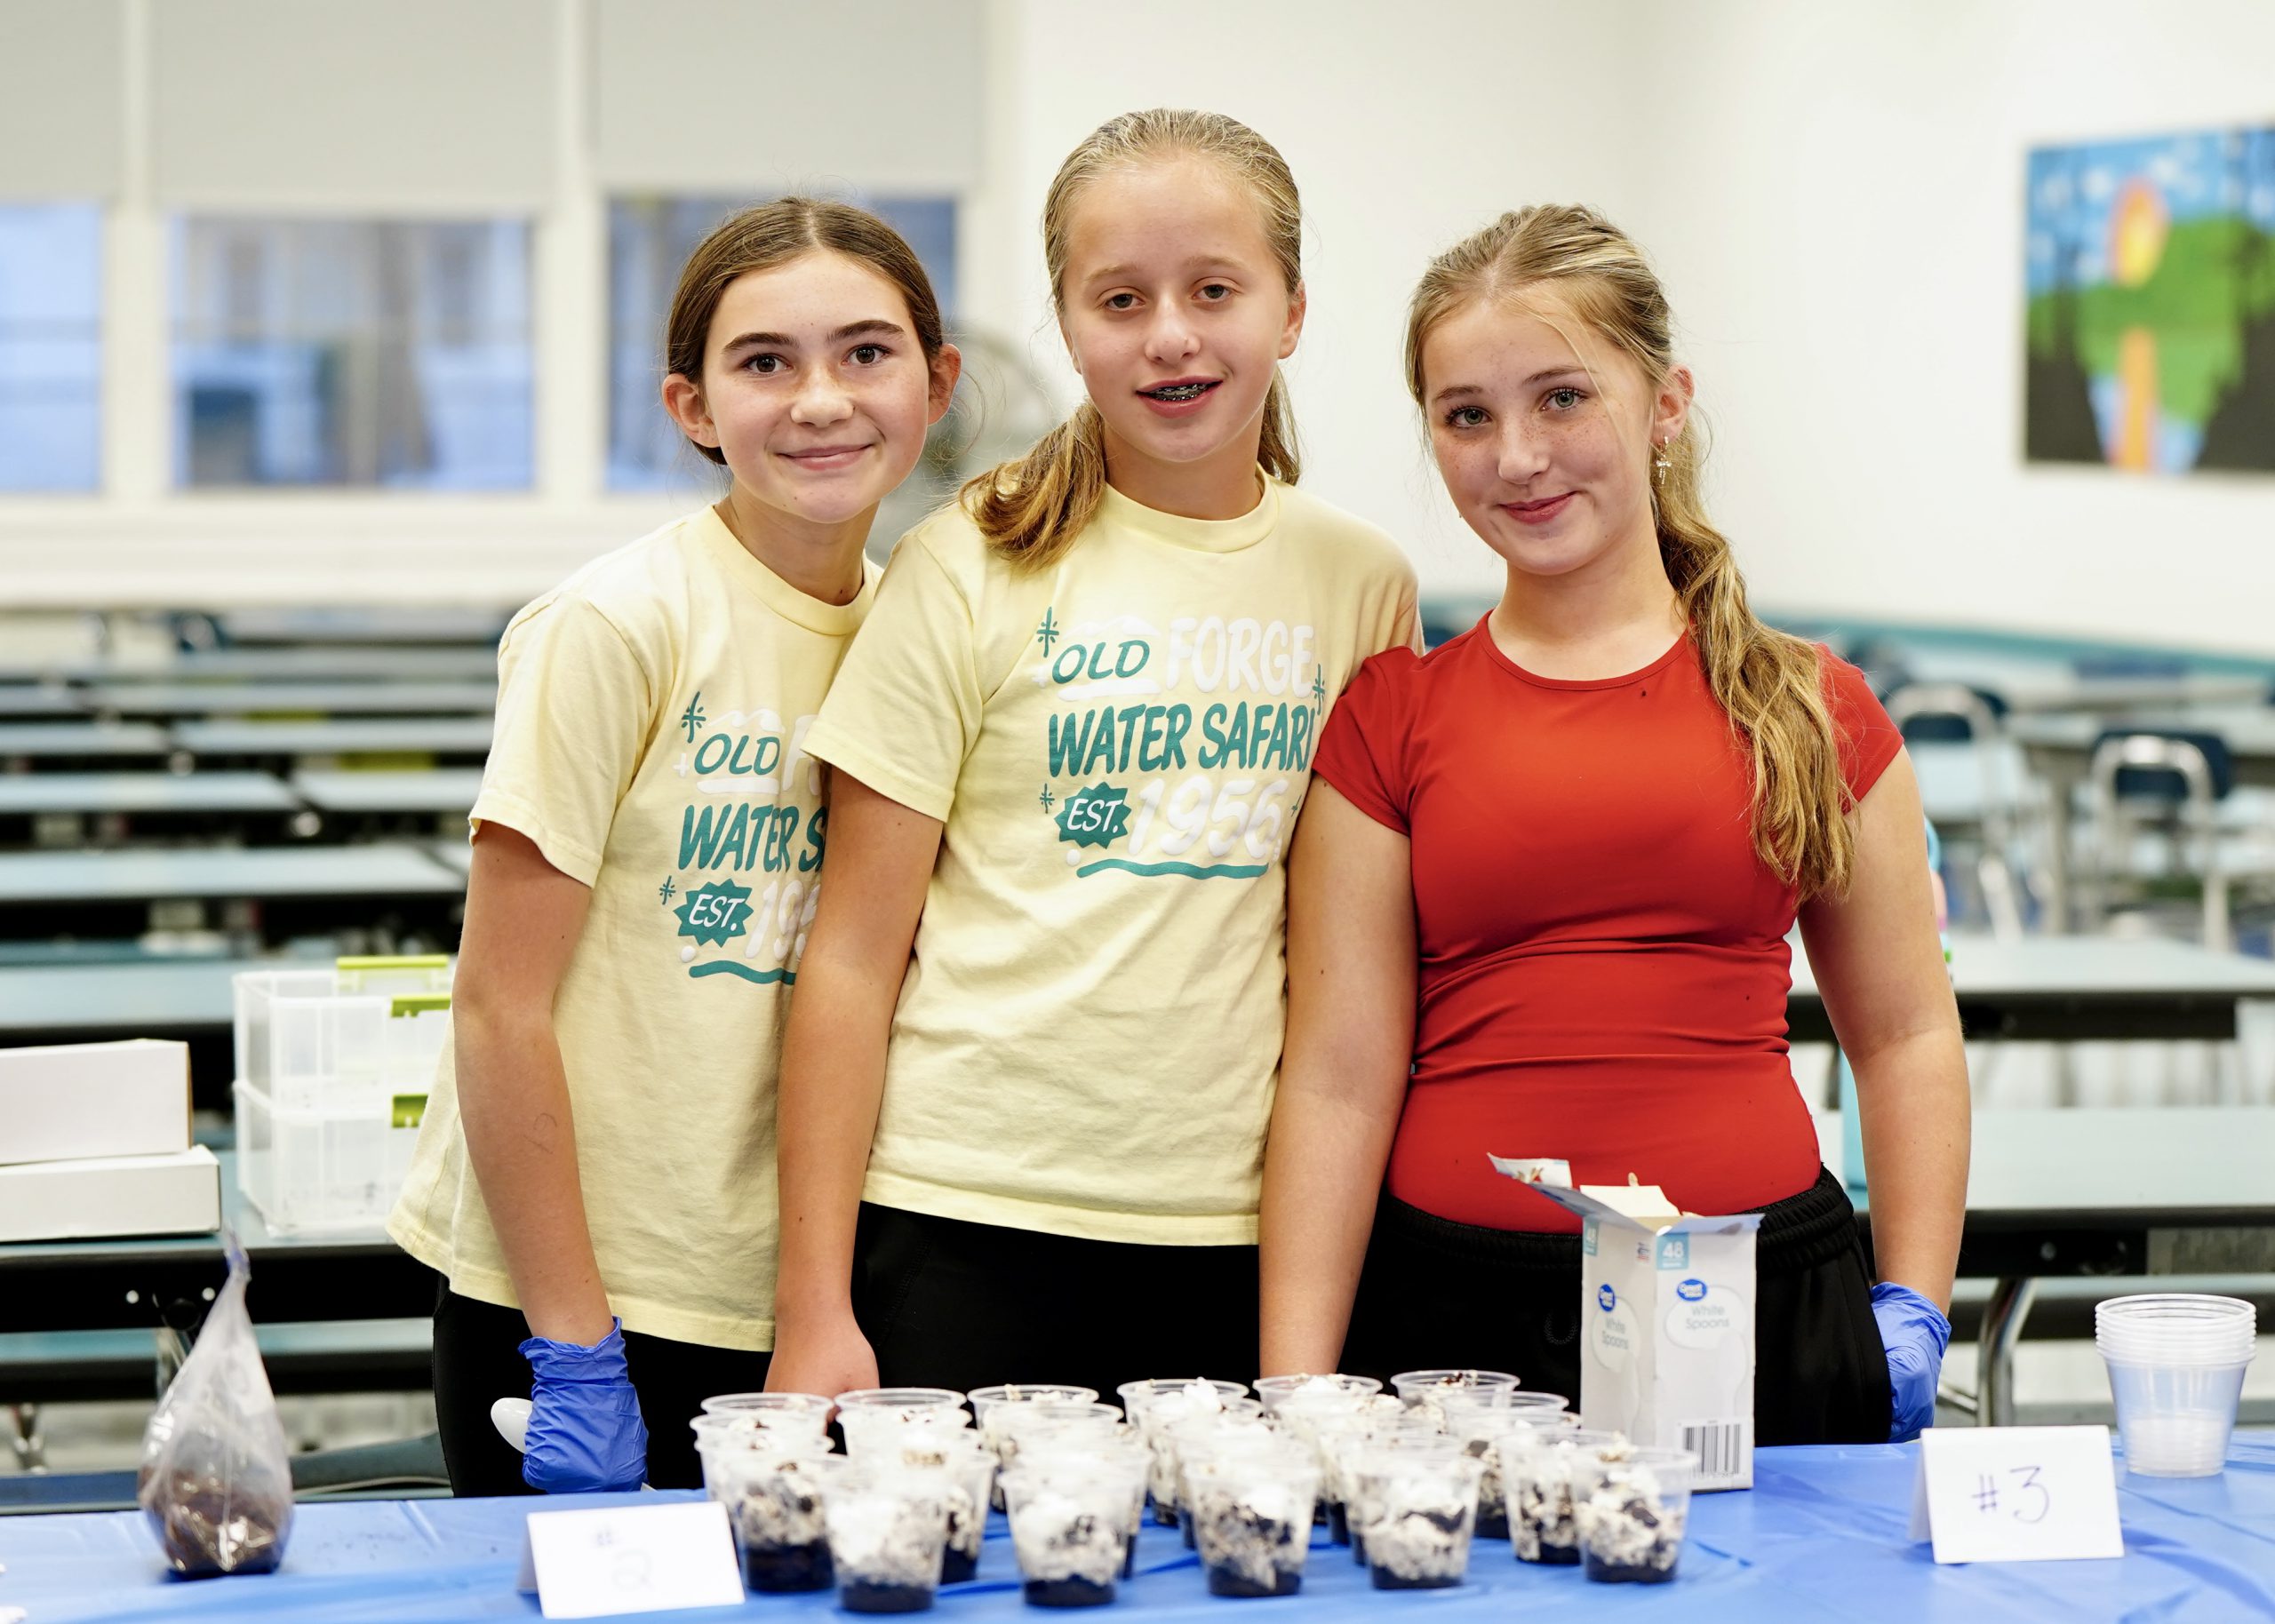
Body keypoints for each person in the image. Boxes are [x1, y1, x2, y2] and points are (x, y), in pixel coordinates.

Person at [1257, 204, 1967, 1445]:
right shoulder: (1391, 717)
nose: (1518, 456)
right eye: (1466, 414)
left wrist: (1914, 1298)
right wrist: (1297, 1385)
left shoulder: (1811, 708)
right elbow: (1336, 1078)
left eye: (1563, 399)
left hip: (1763, 1317)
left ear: (1667, 402)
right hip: (1454, 1336)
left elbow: (1904, 1033)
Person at [765, 109, 1417, 1404]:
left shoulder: (1360, 584)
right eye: (1121, 299)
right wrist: (813, 1306)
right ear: (1068, 326)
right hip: (964, 1222)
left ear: (1290, 310)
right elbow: (848, 957)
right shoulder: (972, 557)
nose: (1169, 333)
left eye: (1214, 290)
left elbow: (1352, 979)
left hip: (1236, 1237)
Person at [388, 199, 960, 1494]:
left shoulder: (927, 629)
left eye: (867, 354)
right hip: (576, 1299)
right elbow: (497, 1007)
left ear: (937, 383)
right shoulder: (614, 626)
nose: (822, 400)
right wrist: (575, 1347)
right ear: (693, 407)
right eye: (765, 363)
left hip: (801, 1305)